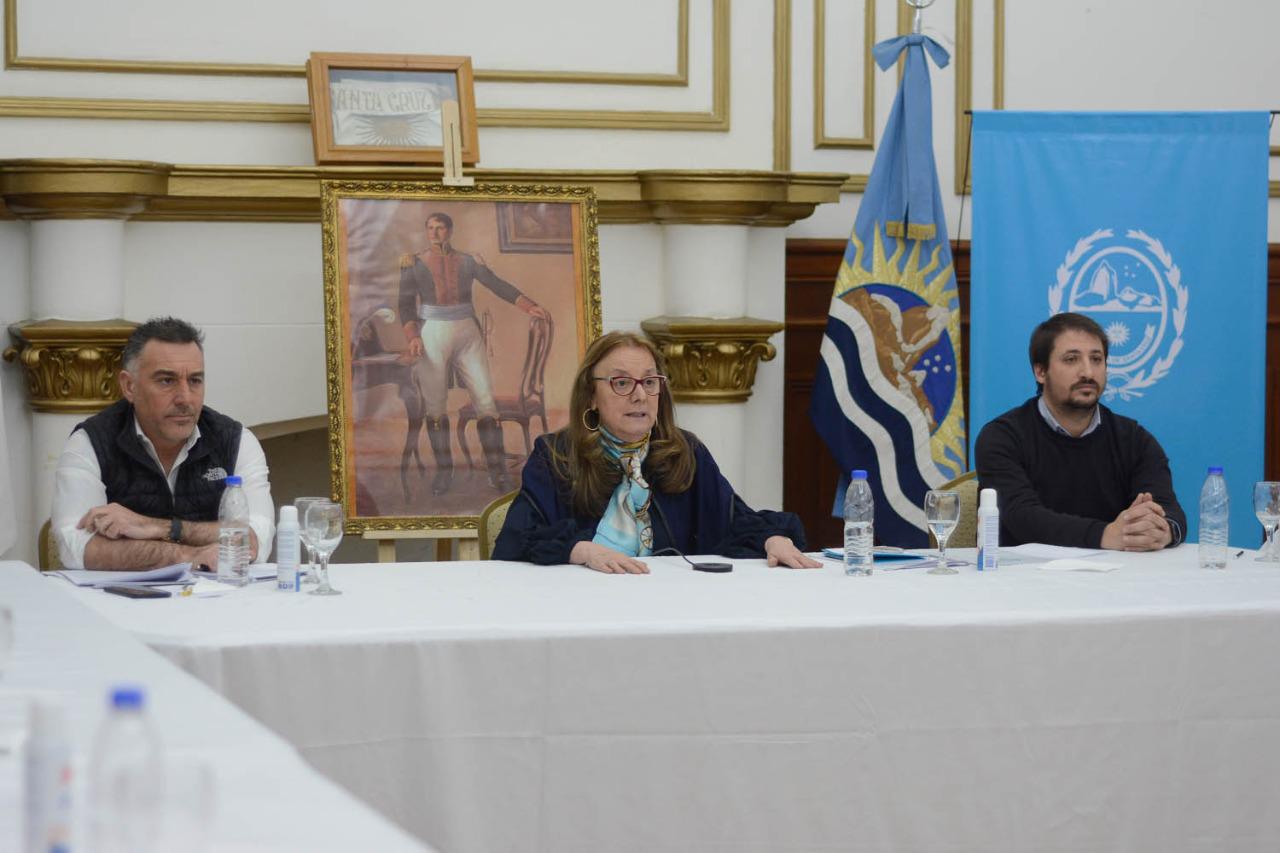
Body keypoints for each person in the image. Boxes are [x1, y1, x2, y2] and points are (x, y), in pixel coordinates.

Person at [492, 331, 821, 573]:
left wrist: (771, 539)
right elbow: (518, 538)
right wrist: (582, 551)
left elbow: (734, 520)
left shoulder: (685, 453)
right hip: (580, 605)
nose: (640, 396)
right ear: (590, 395)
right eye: (622, 383)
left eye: (650, 382)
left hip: (669, 608)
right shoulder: (556, 456)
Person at [51, 317, 275, 570]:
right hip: (124, 595)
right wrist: (190, 556)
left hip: (218, 593)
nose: (185, 398)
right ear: (129, 386)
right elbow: (77, 547)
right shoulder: (91, 442)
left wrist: (155, 527)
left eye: (195, 380)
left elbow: (258, 540)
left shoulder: (235, 440)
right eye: (167, 381)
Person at [974, 312, 1185, 550]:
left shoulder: (1135, 440)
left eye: (1096, 359)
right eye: (1071, 359)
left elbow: (1169, 509)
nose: (1088, 372)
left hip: (1117, 571)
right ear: (1040, 372)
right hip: (1023, 571)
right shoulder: (1002, 437)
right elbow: (1022, 517)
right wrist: (1104, 535)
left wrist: (1161, 530)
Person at [398, 211, 551, 495]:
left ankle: (497, 471)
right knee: (435, 406)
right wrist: (413, 336)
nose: (435, 233)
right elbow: (405, 305)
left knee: (485, 402)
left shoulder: (468, 261)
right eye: (430, 228)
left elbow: (496, 284)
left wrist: (528, 305)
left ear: (450, 230)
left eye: (440, 227)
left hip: (467, 331)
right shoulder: (413, 264)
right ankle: (444, 473)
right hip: (432, 332)